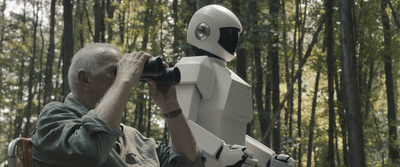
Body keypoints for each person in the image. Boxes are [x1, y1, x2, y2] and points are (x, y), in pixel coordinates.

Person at [31, 43, 206, 167]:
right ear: (84, 80)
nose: (128, 79)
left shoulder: (133, 138)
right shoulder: (54, 117)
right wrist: (124, 80)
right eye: (116, 72)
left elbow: (190, 162)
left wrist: (170, 106)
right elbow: (90, 152)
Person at [175, 4, 294, 167]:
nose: (232, 39)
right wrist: (220, 151)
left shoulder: (228, 76)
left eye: (234, 34)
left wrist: (267, 159)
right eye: (227, 33)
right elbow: (179, 124)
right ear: (203, 31)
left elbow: (234, 135)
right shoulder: (195, 66)